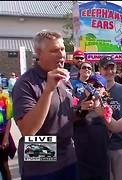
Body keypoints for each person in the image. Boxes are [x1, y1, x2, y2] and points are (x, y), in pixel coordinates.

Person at [12, 30, 78, 179]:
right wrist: (48, 91)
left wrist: (82, 110)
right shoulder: (25, 83)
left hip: (68, 156)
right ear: (38, 53)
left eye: (62, 49)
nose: (61, 55)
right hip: (41, 163)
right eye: (54, 50)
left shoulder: (64, 78)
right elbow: (28, 131)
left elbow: (62, 118)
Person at [98, 56, 122, 180]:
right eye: (106, 68)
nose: (109, 71)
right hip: (98, 146)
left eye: (112, 68)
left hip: (119, 145)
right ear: (99, 70)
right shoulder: (93, 91)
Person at [73, 74, 111, 180]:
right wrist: (81, 109)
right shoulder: (75, 105)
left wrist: (98, 102)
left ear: (104, 91)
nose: (94, 87)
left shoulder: (107, 108)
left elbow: (112, 125)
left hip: (101, 161)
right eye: (91, 84)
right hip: (81, 161)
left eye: (98, 85)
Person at [0, 87, 15, 180]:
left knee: (4, 164)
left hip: (2, 135)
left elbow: (9, 119)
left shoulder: (5, 100)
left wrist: (6, 137)